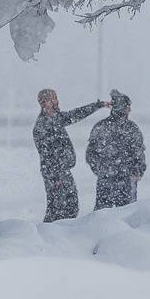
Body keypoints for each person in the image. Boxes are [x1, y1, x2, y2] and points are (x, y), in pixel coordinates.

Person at [32, 88, 108, 222]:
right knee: (58, 209)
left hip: (63, 171)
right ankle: (49, 235)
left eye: (56, 98)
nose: (57, 101)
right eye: (53, 99)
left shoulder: (56, 119)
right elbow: (46, 155)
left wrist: (98, 105)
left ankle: (60, 235)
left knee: (70, 206)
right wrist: (56, 178)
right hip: (55, 174)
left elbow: (76, 114)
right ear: (44, 102)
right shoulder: (42, 125)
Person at [86, 89, 146, 210]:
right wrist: (138, 170)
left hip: (109, 178)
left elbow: (91, 154)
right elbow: (139, 152)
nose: (130, 110)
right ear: (123, 108)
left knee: (102, 215)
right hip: (125, 179)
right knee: (126, 214)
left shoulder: (100, 126)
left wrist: (101, 170)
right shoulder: (132, 128)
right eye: (128, 106)